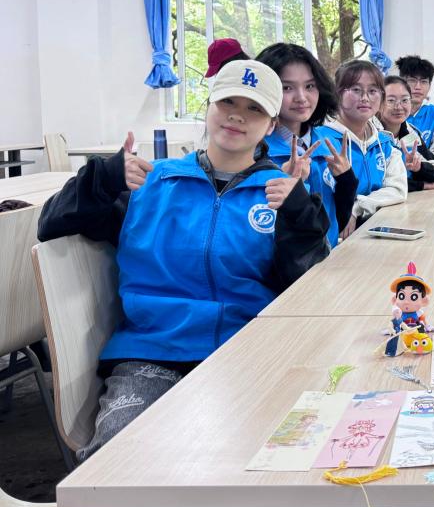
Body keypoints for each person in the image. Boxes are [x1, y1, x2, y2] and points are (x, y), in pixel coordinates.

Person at [37, 60, 330, 460]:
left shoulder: (279, 195)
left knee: (285, 455)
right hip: (153, 352)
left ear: (271, 125)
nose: (237, 116)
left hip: (247, 351)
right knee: (116, 459)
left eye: (254, 109)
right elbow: (50, 225)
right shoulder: (149, 182)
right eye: (228, 102)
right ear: (208, 106)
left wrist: (299, 216)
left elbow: (308, 284)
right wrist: (101, 179)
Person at [255, 43, 357, 246]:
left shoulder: (328, 144)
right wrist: (290, 185)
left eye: (310, 86)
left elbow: (338, 218)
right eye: (287, 88)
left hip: (328, 257)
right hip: (286, 263)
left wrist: (346, 180)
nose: (301, 98)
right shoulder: (256, 152)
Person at [333, 60, 407, 227]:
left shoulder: (385, 143)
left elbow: (398, 189)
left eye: (373, 91)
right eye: (356, 90)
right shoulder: (323, 142)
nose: (365, 98)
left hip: (376, 228)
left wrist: (358, 206)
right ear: (337, 94)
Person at [378, 76, 434, 192]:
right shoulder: (369, 133)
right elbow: (376, 183)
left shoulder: (410, 132)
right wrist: (423, 185)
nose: (398, 107)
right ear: (378, 103)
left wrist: (419, 168)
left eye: (404, 100)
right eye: (391, 100)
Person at [395, 55, 434, 167]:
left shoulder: (433, 113)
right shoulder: (390, 111)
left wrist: (419, 164)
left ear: (429, 86)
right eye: (412, 80)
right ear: (401, 83)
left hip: (421, 171)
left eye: (424, 81)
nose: (418, 87)